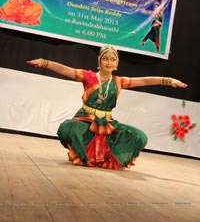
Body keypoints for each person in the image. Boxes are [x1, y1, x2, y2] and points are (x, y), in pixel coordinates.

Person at [26, 45, 187, 170]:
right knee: (71, 128)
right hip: (85, 119)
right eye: (106, 59)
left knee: (139, 137)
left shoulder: (119, 82)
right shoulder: (88, 76)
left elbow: (145, 81)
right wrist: (45, 63)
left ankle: (107, 160)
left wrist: (168, 80)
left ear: (116, 64)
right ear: (99, 61)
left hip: (107, 122)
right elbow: (65, 70)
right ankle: (83, 158)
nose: (109, 62)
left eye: (112, 59)